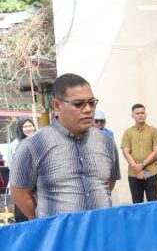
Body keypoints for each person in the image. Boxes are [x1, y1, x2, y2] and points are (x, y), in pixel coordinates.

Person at [9, 73, 120, 220]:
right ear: (57, 106)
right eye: (78, 104)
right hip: (59, 239)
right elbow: (19, 193)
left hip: (101, 234)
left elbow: (108, 184)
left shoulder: (106, 142)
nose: (88, 109)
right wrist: (45, 224)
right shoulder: (33, 145)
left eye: (92, 102)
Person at [121, 104, 157, 203]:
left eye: (142, 113)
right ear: (132, 115)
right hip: (133, 173)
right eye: (137, 113)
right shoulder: (128, 132)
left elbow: (156, 151)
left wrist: (142, 164)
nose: (140, 115)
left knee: (152, 202)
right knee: (137, 203)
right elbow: (125, 151)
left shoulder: (154, 131)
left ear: (146, 114)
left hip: (151, 172)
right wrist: (135, 167)